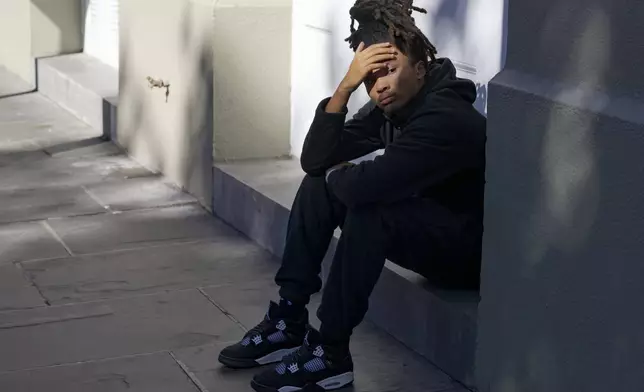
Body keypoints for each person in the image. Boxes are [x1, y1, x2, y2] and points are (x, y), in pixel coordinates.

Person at [218, 0, 486, 390]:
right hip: (432, 233)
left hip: (464, 257)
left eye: (390, 71)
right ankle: (288, 319)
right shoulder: (394, 106)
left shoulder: (446, 119)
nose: (380, 87)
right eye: (369, 79)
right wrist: (343, 89)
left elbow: (365, 186)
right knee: (319, 184)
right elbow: (315, 160)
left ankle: (330, 354)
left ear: (421, 69)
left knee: (369, 208)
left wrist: (338, 177)